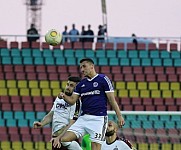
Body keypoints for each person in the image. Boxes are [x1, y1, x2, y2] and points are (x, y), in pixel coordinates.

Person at [51, 58, 125, 150]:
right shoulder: (81, 84)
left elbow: (112, 100)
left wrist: (120, 116)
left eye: (84, 66)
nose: (82, 69)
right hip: (83, 118)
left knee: (95, 147)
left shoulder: (103, 79)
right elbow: (72, 100)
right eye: (81, 67)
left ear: (92, 66)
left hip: (98, 119)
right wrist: (64, 96)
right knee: (63, 140)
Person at [33, 76, 82, 150]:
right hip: (55, 139)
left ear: (77, 89)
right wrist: (42, 123)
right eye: (67, 84)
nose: (68, 87)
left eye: (71, 86)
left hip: (65, 139)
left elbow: (72, 124)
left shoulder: (76, 103)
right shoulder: (59, 98)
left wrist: (59, 137)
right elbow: (52, 114)